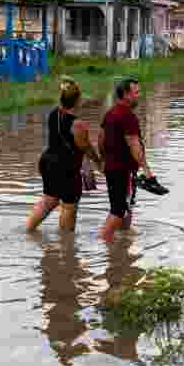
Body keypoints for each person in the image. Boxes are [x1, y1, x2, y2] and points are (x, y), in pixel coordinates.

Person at [26, 76, 103, 233]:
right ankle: (66, 246)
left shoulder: (54, 113)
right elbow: (86, 148)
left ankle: (28, 230)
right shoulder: (78, 125)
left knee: (49, 200)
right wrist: (99, 163)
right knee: (69, 206)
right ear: (78, 100)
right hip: (66, 168)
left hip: (47, 162)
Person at [98, 77, 153, 243]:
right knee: (119, 209)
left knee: (126, 205)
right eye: (136, 93)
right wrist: (148, 171)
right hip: (122, 170)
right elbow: (134, 145)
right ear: (126, 95)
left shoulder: (111, 113)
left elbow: (100, 138)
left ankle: (123, 241)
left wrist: (103, 160)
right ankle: (104, 242)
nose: (139, 95)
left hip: (113, 168)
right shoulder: (128, 117)